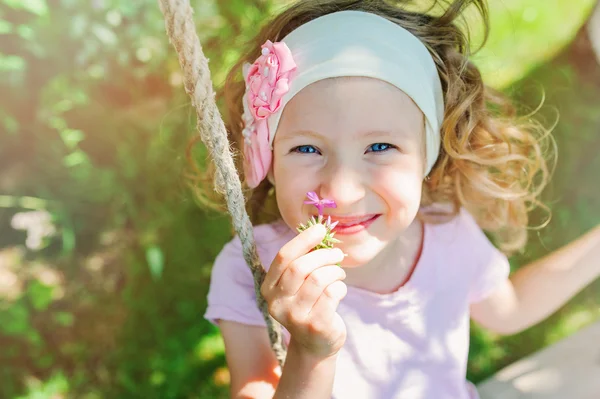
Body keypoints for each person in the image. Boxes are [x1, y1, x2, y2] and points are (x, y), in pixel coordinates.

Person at [194, 0, 600, 398]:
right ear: (266, 158)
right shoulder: (248, 270)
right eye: (306, 149)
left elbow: (508, 310)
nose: (342, 190)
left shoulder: (445, 231)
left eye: (380, 146)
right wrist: (311, 353)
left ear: (430, 154)